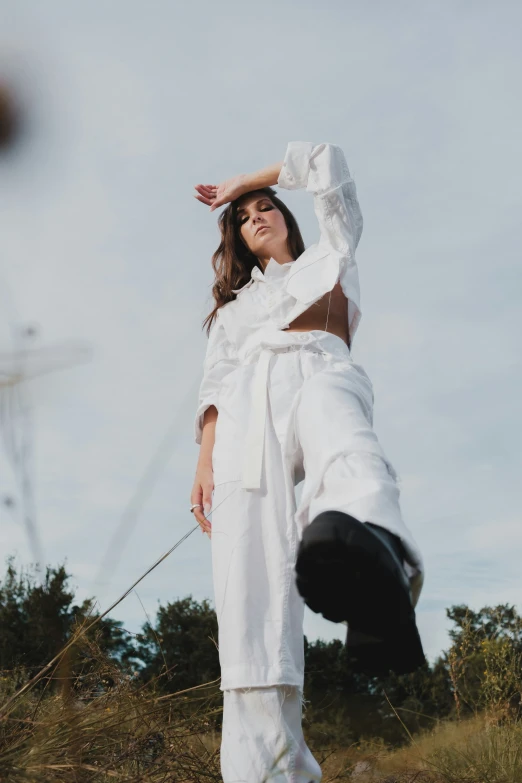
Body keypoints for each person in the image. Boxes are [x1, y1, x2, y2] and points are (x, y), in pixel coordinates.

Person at [190, 141, 425, 783]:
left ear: (290, 218)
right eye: (245, 215)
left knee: (334, 418)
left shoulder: (332, 252)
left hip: (319, 368)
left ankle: (373, 544)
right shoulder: (234, 312)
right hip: (246, 422)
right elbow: (215, 384)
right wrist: (207, 463)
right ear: (237, 239)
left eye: (268, 207)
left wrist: (244, 179)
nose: (257, 215)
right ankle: (270, 771)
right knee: (249, 596)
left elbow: (328, 161)